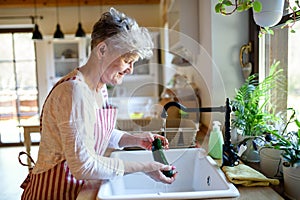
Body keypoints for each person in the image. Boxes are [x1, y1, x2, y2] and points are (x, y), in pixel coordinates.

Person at [21, 7, 176, 200]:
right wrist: (145, 167)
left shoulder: (99, 88)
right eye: (127, 60)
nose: (131, 70)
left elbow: (98, 132)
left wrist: (134, 139)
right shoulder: (73, 91)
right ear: (102, 50)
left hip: (78, 189)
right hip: (55, 192)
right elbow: (83, 166)